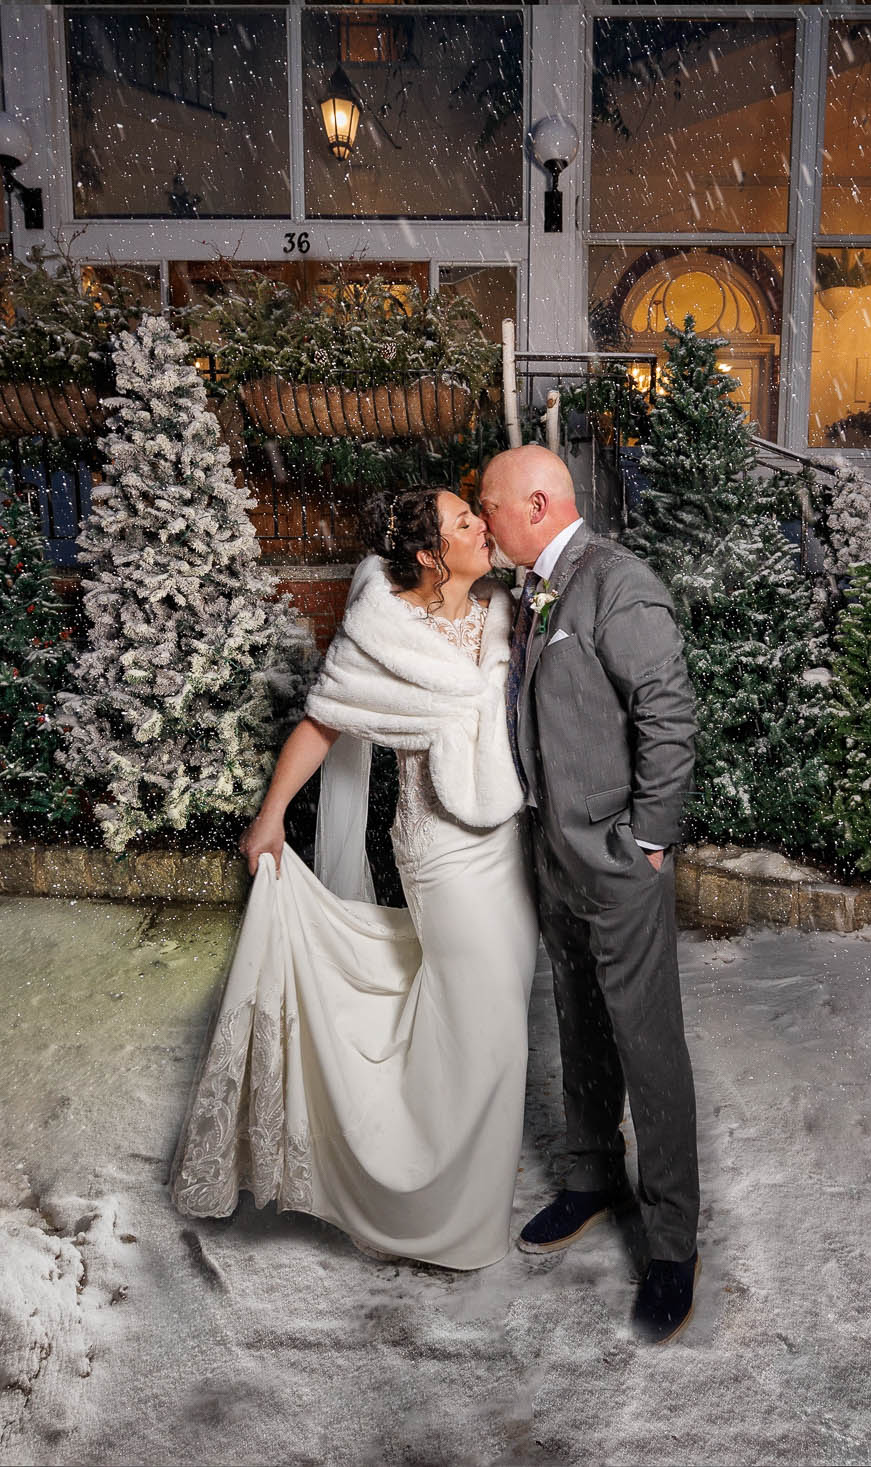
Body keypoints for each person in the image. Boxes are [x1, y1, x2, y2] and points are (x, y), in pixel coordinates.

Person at [168, 487, 538, 1271]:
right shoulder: (385, 635)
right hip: (439, 855)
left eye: (476, 511)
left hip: (505, 849)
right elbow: (322, 720)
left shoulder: (505, 608)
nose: (481, 523)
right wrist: (270, 817)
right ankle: (423, 1204)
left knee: (500, 1025)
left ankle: (470, 1205)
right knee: (490, 1026)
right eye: (464, 521)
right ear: (431, 554)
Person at [476, 445, 703, 1346]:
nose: (484, 518)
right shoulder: (533, 586)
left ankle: (673, 1244)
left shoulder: (617, 582)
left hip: (616, 862)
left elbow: (668, 713)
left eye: (490, 505)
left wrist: (647, 840)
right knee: (578, 1025)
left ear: (536, 503)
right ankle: (589, 1174)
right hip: (555, 859)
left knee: (648, 1047)